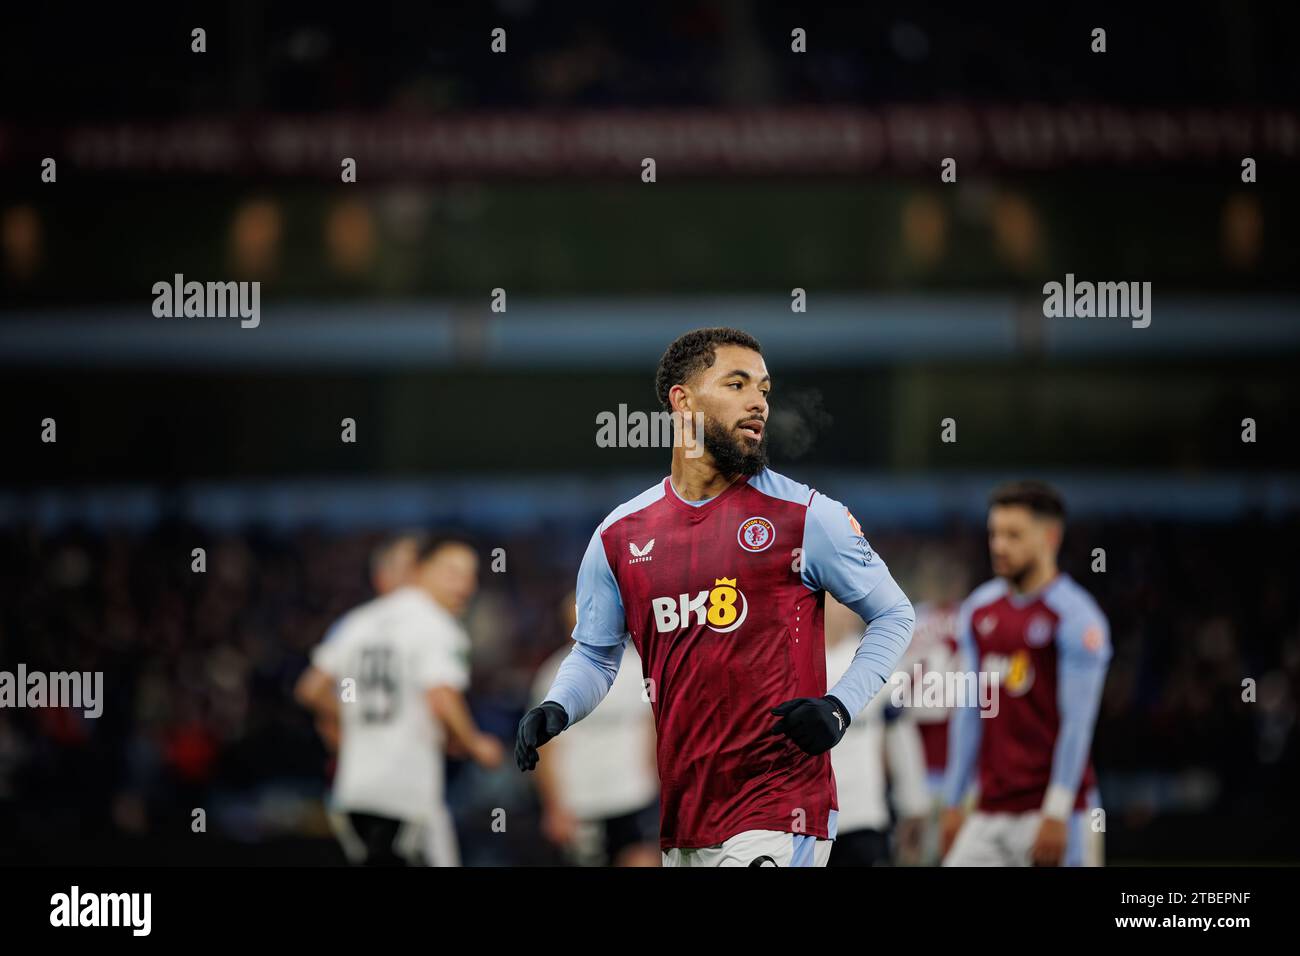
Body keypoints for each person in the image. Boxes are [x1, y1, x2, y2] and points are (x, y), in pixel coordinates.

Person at [516, 327, 915, 867]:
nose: (759, 404)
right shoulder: (620, 535)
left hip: (779, 806)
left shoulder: (806, 517)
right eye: (737, 384)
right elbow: (595, 655)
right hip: (685, 817)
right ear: (682, 401)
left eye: (765, 390)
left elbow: (893, 613)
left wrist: (839, 707)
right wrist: (559, 706)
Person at [296, 534, 503, 866]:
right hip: (405, 789)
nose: (466, 585)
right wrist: (474, 742)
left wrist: (353, 717)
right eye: (453, 572)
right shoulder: (435, 624)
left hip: (354, 789)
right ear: (420, 571)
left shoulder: (358, 622)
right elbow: (441, 695)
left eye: (470, 575)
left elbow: (314, 689)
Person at [940, 481, 1110, 867]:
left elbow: (1078, 723)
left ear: (1050, 537)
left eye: (1013, 535)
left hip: (1056, 812)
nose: (999, 545)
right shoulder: (979, 610)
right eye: (994, 533)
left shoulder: (1077, 617)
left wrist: (1057, 810)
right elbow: (970, 711)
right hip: (990, 811)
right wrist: (953, 800)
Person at [529, 592, 660, 866]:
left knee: (642, 859)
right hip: (582, 802)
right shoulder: (554, 676)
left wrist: (658, 782)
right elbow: (544, 748)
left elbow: (653, 727)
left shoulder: (639, 668)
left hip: (634, 793)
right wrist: (554, 807)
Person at [824, 596, 930, 866]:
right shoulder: (795, 664)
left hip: (865, 814)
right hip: (809, 820)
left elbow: (900, 736)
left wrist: (913, 801)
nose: (845, 609)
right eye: (835, 600)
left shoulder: (877, 660)